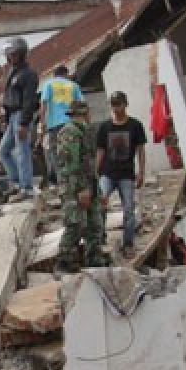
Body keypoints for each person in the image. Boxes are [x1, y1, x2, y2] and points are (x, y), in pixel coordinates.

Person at [54, 101, 106, 273]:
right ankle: (65, 261)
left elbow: (88, 163)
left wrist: (95, 189)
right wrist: (82, 189)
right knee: (75, 225)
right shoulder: (69, 132)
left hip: (89, 186)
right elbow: (71, 166)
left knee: (94, 223)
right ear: (85, 113)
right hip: (74, 188)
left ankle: (94, 259)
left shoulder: (83, 131)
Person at [95, 91, 147, 259]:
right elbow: (100, 151)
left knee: (129, 210)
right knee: (100, 205)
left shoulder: (135, 126)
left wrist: (142, 172)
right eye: (113, 105)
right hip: (107, 173)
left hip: (126, 174)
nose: (116, 108)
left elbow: (141, 150)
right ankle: (100, 239)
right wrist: (95, 172)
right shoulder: (104, 127)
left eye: (119, 104)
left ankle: (128, 244)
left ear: (126, 104)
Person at [0, 37, 39, 201]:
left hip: (21, 115)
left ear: (21, 54)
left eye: (12, 55)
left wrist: (24, 123)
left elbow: (29, 100)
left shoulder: (28, 74)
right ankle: (16, 182)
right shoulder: (12, 73)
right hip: (12, 117)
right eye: (8, 55)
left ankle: (26, 187)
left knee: (23, 152)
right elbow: (9, 98)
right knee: (2, 151)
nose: (9, 58)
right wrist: (6, 119)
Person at [38, 65, 82, 187]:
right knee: (73, 152)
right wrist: (85, 124)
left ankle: (61, 181)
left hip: (54, 125)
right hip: (72, 123)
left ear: (55, 75)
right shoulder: (74, 85)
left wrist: (42, 125)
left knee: (55, 153)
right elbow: (81, 105)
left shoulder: (48, 84)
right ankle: (75, 181)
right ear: (66, 74)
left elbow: (43, 106)